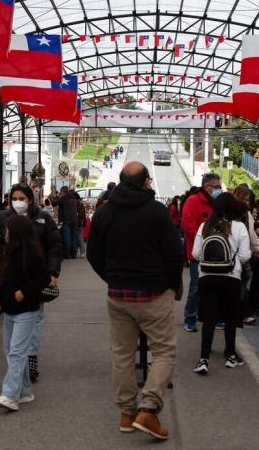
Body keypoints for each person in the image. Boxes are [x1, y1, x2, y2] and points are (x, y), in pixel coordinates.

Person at [87, 162, 184, 440]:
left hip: (118, 295)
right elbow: (173, 254)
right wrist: (170, 285)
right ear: (145, 182)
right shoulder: (157, 212)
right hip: (153, 294)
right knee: (164, 352)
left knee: (122, 355)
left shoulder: (104, 212)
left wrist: (112, 277)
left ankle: (127, 413)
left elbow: (93, 253)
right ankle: (149, 408)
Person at [0, 183, 61, 382]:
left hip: (34, 277)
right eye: (14, 198)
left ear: (30, 199)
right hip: (10, 277)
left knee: (36, 317)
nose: (18, 202)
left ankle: (30, 358)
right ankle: (18, 364)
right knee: (13, 318)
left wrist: (52, 272)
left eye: (22, 198)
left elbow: (55, 246)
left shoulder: (43, 218)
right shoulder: (2, 217)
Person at [0, 215, 51, 412]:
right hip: (10, 310)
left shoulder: (33, 254)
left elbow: (43, 278)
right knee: (11, 350)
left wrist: (24, 292)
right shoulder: (8, 252)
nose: (5, 234)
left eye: (7, 230)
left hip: (27, 310)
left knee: (16, 351)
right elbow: (0, 279)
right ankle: (24, 391)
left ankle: (10, 395)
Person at [190, 193, 252, 376]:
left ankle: (203, 359)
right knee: (230, 317)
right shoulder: (239, 227)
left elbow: (195, 254)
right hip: (231, 276)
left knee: (209, 318)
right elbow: (245, 256)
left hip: (206, 276)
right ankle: (231, 355)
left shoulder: (205, 226)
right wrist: (233, 261)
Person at [181, 173, 222, 333]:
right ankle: (190, 317)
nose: (220, 189)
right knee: (196, 287)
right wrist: (207, 240)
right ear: (207, 187)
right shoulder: (193, 201)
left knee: (217, 288)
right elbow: (188, 227)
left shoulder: (218, 203)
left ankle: (216, 317)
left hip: (218, 254)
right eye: (217, 187)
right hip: (198, 253)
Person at [232, 184, 259, 325]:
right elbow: (251, 233)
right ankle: (243, 314)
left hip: (229, 254)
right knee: (244, 285)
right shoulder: (246, 213)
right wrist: (257, 247)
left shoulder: (227, 211)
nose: (247, 202)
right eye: (246, 199)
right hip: (242, 254)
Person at [57, 186, 79, 259]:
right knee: (74, 237)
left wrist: (58, 196)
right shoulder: (74, 197)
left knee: (67, 238)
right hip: (75, 220)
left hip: (67, 220)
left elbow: (55, 203)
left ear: (63, 192)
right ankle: (74, 254)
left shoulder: (63, 198)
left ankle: (68, 254)